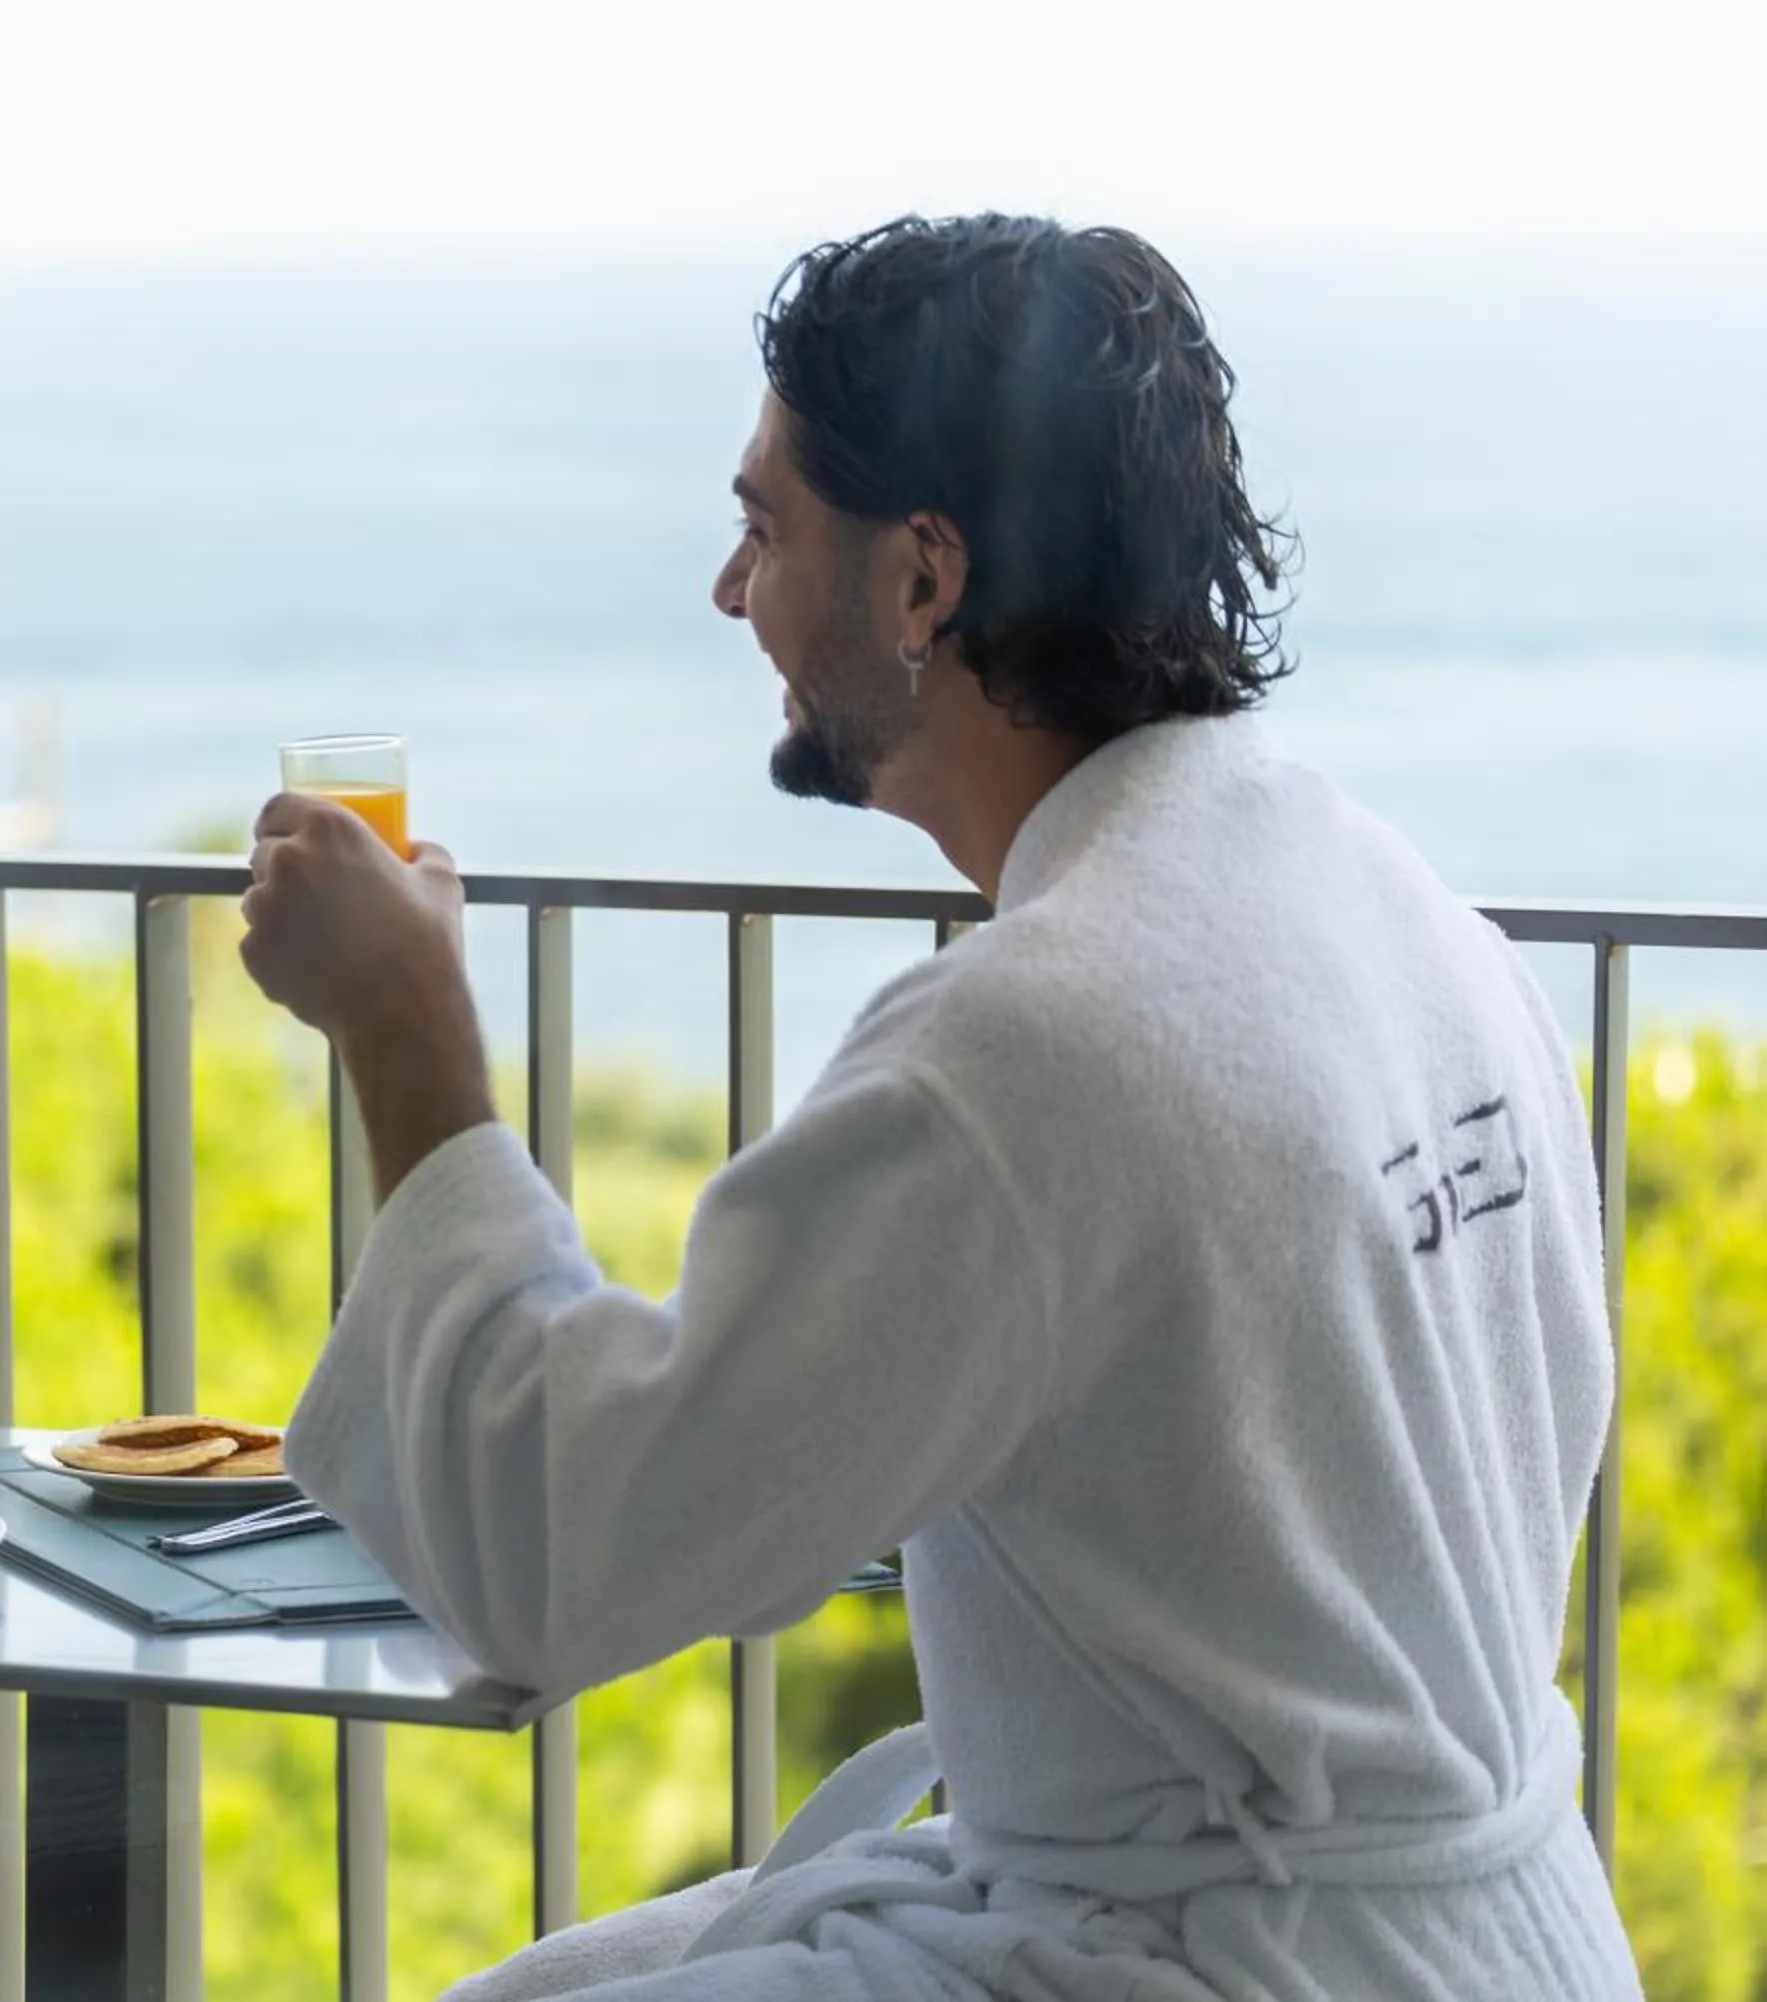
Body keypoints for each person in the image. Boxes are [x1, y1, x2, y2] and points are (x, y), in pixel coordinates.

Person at [242, 215, 1643, 1999]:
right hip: (1502, 1934)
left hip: (1226, 1958)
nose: (731, 592)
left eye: (765, 528)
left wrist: (406, 1034)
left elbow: (553, 1551)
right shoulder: (1414, 921)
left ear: (921, 578)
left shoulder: (1036, 1052)